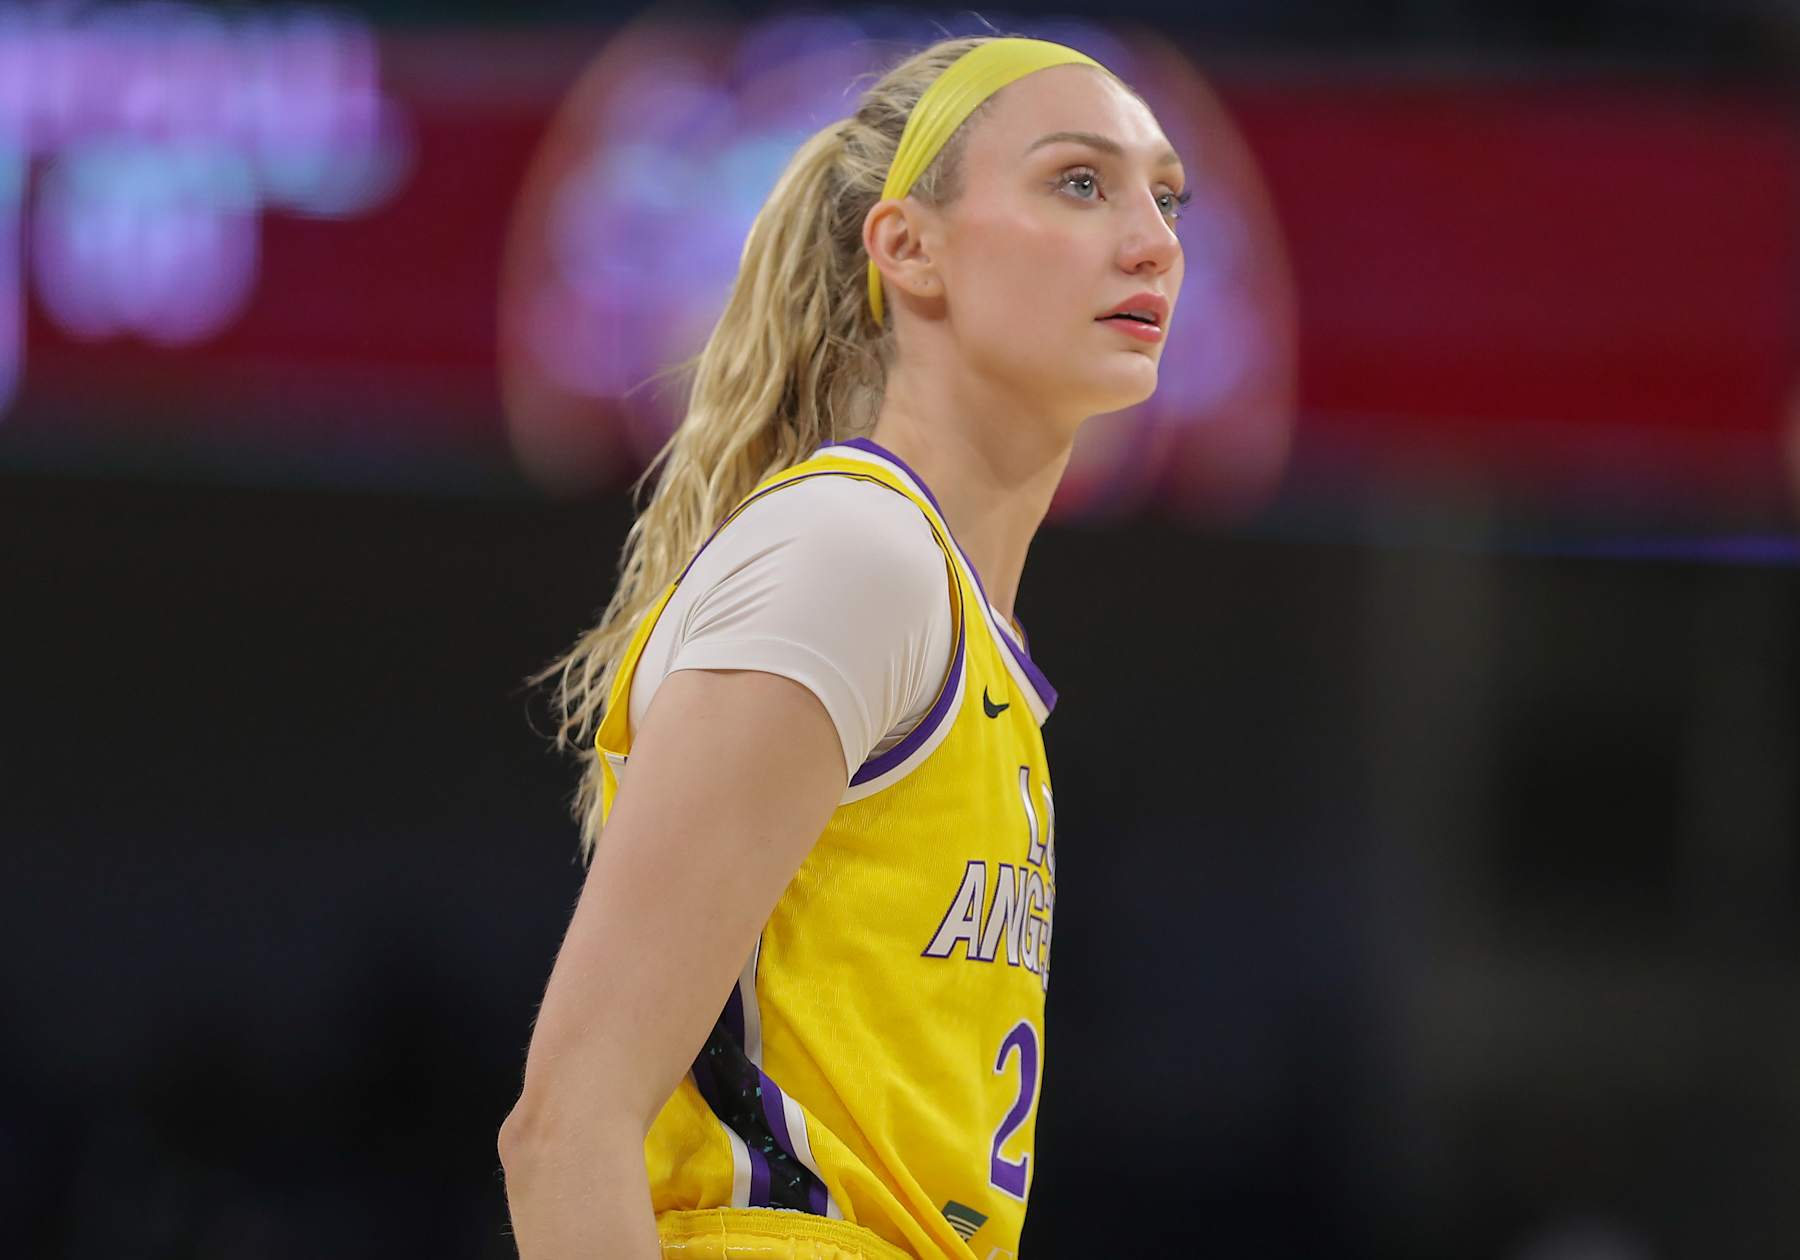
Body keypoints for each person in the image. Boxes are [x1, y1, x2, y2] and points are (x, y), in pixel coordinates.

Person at [499, 33, 1187, 1260]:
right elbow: (564, 1129)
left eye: (1162, 194)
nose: (1153, 239)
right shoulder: (850, 557)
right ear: (907, 247)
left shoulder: (947, 609)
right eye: (1080, 183)